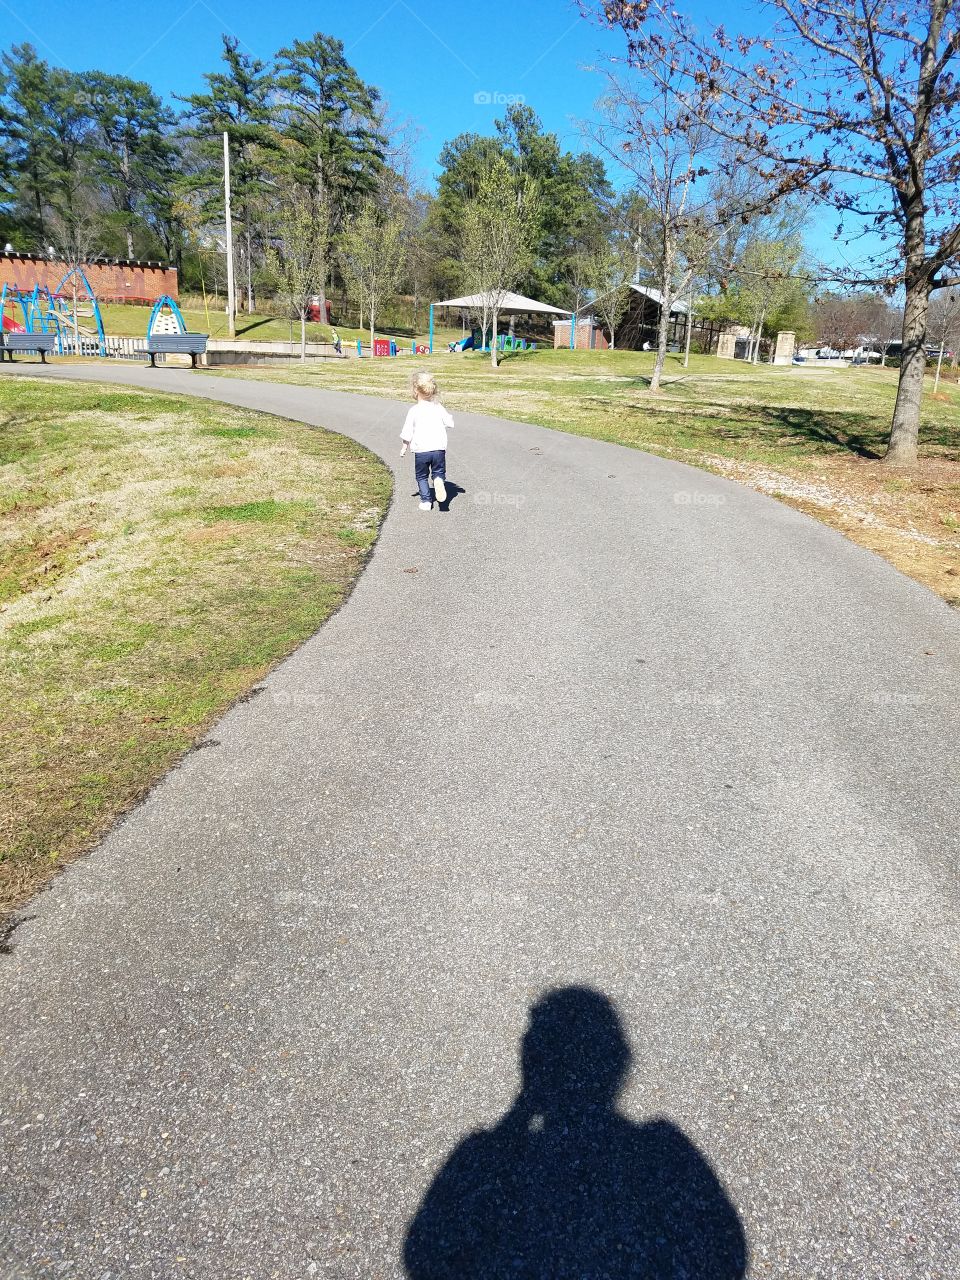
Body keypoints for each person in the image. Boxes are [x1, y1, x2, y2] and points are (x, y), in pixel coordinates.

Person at [400, 372, 454, 511]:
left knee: (421, 475)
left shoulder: (414, 410)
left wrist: (404, 446)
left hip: (421, 450)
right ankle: (438, 480)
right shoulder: (438, 407)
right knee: (438, 471)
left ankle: (426, 501)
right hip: (438, 449)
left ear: (416, 391)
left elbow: (408, 430)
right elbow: (449, 422)